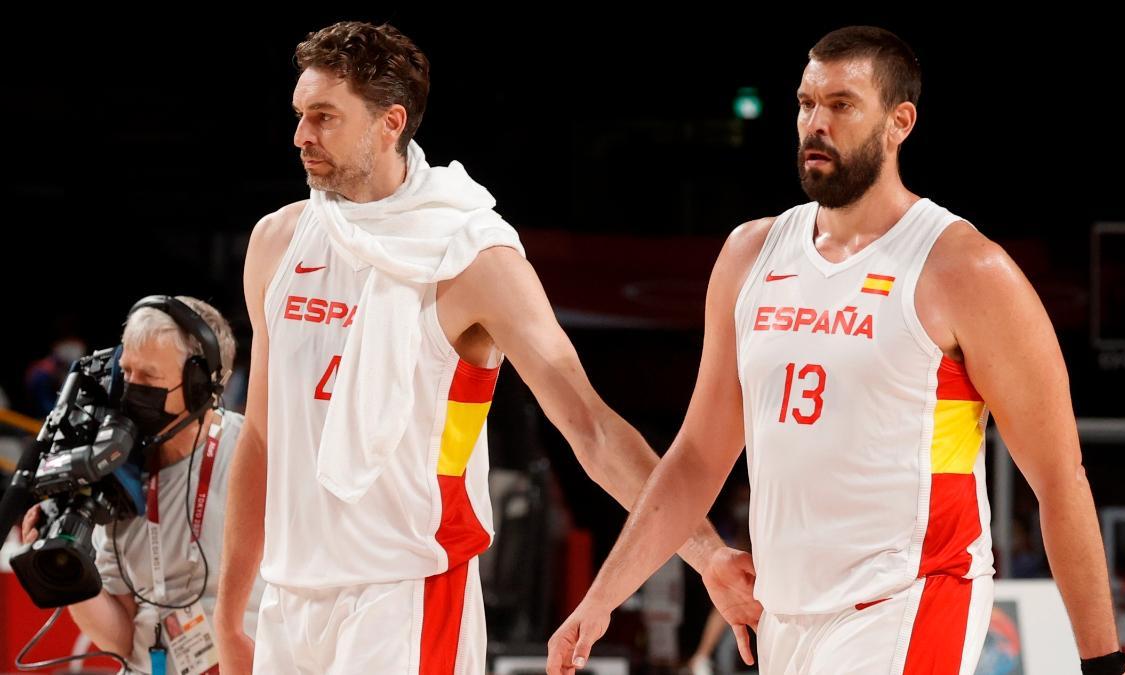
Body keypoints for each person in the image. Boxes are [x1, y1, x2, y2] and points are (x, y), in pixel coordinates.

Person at [549, 25, 1125, 675]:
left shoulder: (964, 267)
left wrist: (1103, 661)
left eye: (842, 104)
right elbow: (695, 458)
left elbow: (1059, 476)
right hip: (785, 616)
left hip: (910, 600)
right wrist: (600, 599)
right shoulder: (750, 253)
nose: (815, 123)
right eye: (806, 103)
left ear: (899, 121)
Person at [213, 21, 757, 675]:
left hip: (405, 595)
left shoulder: (471, 256)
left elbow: (591, 428)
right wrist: (230, 610)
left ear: (390, 122)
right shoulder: (278, 242)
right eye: (301, 115)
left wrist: (708, 554)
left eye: (324, 117)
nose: (301, 135)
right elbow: (262, 439)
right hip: (289, 600)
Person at [21, 296, 262, 675]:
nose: (131, 389)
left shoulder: (255, 455)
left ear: (200, 385)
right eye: (126, 372)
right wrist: (65, 569)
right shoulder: (114, 471)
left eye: (148, 377)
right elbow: (119, 638)